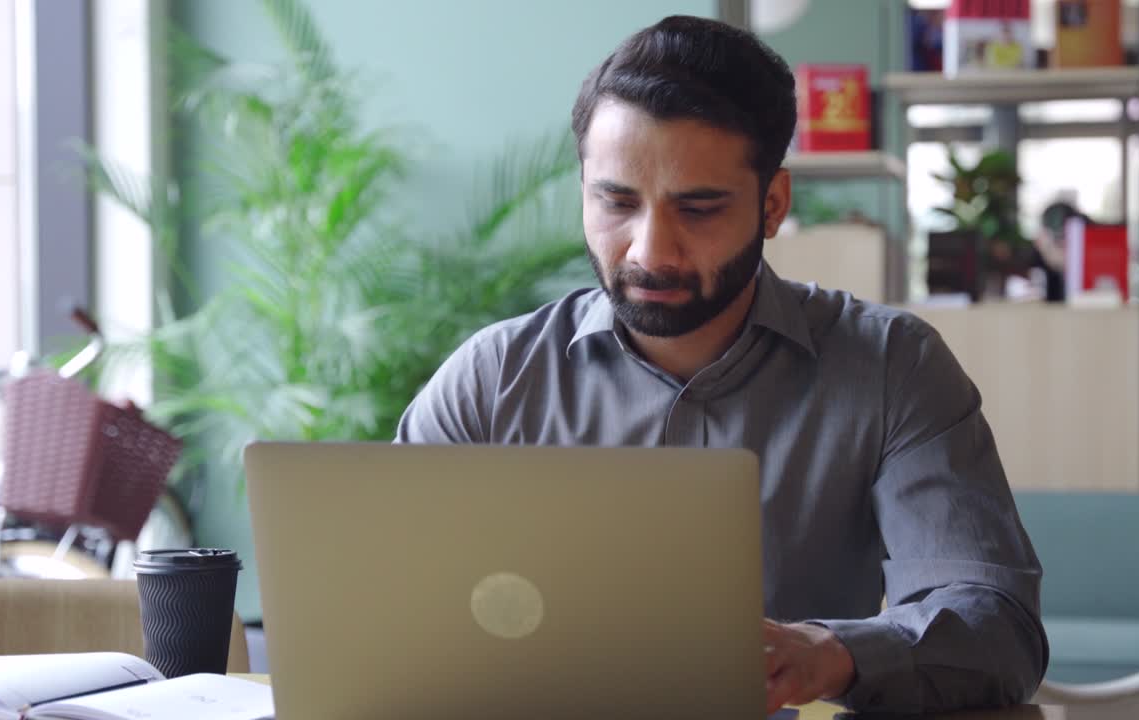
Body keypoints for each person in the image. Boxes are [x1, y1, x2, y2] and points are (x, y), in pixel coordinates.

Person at [396, 15, 1047, 715]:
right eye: (615, 202)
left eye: (698, 209)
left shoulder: (892, 367)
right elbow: (386, 608)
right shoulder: (493, 380)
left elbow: (997, 626)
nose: (650, 250)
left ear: (772, 205)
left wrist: (832, 655)